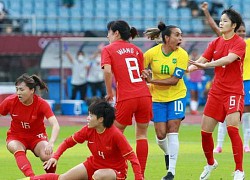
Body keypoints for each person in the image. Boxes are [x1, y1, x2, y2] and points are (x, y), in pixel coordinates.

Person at [188, 7, 246, 180]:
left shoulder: (239, 43)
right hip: (216, 92)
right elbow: (200, 61)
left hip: (233, 92)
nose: (221, 23)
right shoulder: (214, 43)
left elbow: (228, 59)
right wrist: (186, 69)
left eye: (225, 21)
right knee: (205, 133)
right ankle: (211, 163)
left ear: (234, 25)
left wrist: (207, 65)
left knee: (232, 129)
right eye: (220, 20)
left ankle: (239, 171)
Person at [20, 100, 144, 180]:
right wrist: (55, 157)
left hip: (115, 172)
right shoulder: (88, 130)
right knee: (63, 178)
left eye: (91, 115)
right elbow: (68, 142)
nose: (87, 118)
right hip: (94, 164)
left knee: (99, 176)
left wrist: (139, 178)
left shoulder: (115, 135)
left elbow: (133, 158)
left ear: (100, 119)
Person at [101, 20, 152, 178]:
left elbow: (108, 72)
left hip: (127, 96)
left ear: (116, 33)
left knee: (115, 134)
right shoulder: (137, 50)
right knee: (142, 135)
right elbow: (142, 73)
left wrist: (110, 92)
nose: (107, 35)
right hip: (144, 95)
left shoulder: (108, 49)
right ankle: (140, 175)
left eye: (109, 32)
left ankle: (119, 172)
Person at [201, 1, 250, 154]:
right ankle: (220, 144)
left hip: (245, 82)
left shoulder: (245, 43)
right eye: (240, 31)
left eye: (243, 31)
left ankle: (246, 144)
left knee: (244, 116)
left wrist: (206, 65)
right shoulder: (224, 40)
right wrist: (206, 13)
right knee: (224, 118)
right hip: (225, 84)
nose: (241, 33)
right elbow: (216, 28)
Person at [142, 21, 189, 180]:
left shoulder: (182, 54)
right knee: (161, 134)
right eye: (177, 35)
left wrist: (151, 81)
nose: (180, 38)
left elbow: (174, 80)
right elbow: (140, 72)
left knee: (172, 129)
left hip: (177, 95)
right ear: (167, 38)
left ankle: (171, 172)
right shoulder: (151, 54)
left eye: (181, 35)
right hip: (157, 98)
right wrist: (144, 78)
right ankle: (168, 153)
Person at [0, 73, 60, 177]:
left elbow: (55, 125)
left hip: (37, 137)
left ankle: (51, 177)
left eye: (22, 90)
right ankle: (32, 178)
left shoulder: (41, 104)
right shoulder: (10, 101)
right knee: (16, 147)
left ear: (32, 90)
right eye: (17, 89)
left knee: (48, 155)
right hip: (16, 136)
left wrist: (51, 142)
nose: (18, 93)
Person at [188, 48, 205, 115]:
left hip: (198, 80)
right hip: (192, 80)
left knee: (197, 95)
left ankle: (195, 109)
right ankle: (193, 109)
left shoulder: (200, 60)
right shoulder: (189, 60)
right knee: (192, 93)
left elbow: (202, 68)